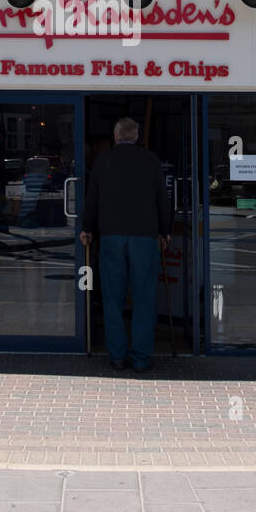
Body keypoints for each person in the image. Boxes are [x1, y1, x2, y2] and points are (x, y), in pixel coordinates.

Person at [79, 117, 172, 373]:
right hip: (144, 236)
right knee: (144, 298)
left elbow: (92, 199)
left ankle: (117, 356)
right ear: (137, 135)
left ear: (116, 135)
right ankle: (141, 358)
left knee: (112, 298)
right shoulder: (150, 160)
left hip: (111, 236)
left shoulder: (103, 161)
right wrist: (164, 230)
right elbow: (162, 199)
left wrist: (87, 228)